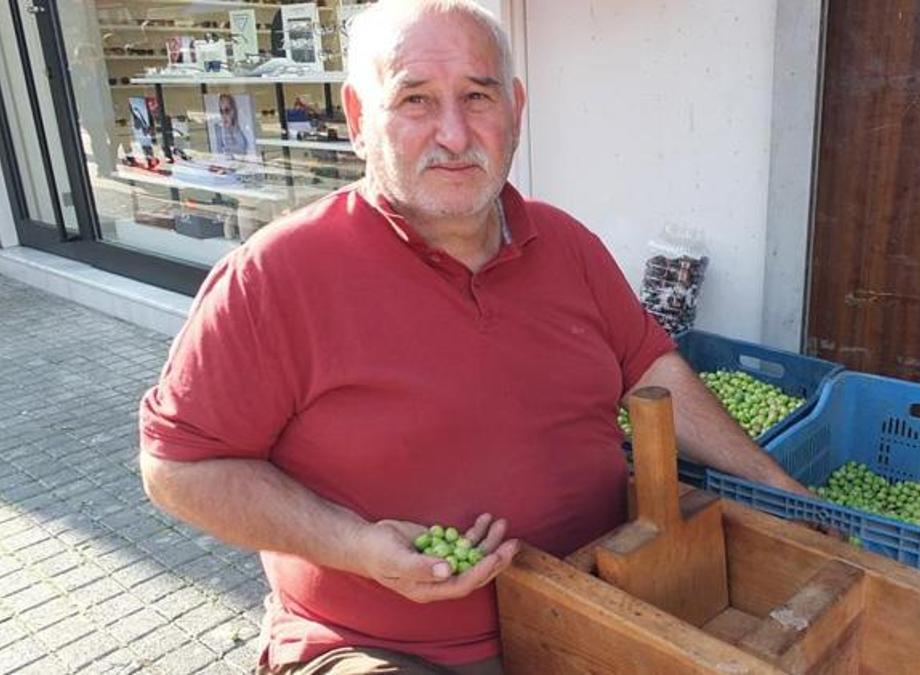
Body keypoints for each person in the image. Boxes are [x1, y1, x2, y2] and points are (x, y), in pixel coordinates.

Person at [138, 2, 811, 674]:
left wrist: (783, 490)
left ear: (515, 107)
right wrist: (356, 545)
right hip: (385, 649)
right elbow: (178, 468)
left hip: (591, 611)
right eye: (416, 99)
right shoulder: (276, 275)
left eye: (477, 96)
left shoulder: (567, 244)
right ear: (356, 117)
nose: (455, 135)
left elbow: (651, 370)